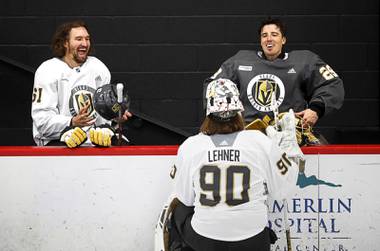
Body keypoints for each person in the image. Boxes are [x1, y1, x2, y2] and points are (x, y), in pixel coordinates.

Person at [157, 78, 303, 251]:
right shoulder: (260, 141)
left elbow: (186, 197)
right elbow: (282, 191)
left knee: (177, 208)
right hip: (253, 241)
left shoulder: (191, 145)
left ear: (208, 111)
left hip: (206, 241)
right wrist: (286, 149)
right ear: (239, 109)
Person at [204, 17, 344, 145]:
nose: (269, 39)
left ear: (283, 39)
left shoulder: (304, 61)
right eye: (264, 35)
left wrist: (315, 109)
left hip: (291, 139)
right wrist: (224, 119)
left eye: (274, 34)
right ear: (260, 40)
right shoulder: (239, 61)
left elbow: (332, 84)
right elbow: (213, 85)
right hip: (247, 139)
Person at [31, 20, 132, 147]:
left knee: (124, 145)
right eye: (78, 39)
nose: (84, 43)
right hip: (60, 138)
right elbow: (42, 121)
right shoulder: (47, 70)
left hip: (94, 138)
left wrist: (116, 116)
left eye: (87, 39)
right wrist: (71, 121)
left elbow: (104, 116)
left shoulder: (98, 68)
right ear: (65, 43)